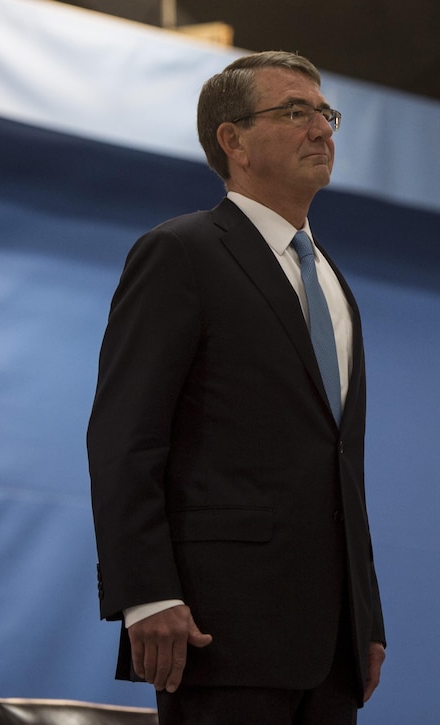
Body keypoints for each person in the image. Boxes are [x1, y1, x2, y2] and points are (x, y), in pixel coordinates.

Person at [87, 51, 385, 724]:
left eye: (325, 112)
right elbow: (125, 437)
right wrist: (146, 594)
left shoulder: (335, 283)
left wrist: (365, 612)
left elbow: (340, 463)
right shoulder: (181, 253)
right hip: (216, 630)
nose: (322, 128)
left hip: (332, 644)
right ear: (233, 139)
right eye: (295, 112)